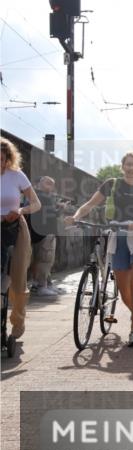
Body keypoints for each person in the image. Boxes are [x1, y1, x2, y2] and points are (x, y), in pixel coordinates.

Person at [68, 151, 133, 347]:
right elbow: (90, 204)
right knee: (124, 290)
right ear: (122, 166)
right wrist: (75, 217)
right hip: (118, 236)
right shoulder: (111, 184)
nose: (131, 167)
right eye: (128, 164)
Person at [1, 138, 42, 347]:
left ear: (8, 158)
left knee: (17, 279)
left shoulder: (17, 175)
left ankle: (17, 322)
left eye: (2, 158)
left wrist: (20, 210)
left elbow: (36, 204)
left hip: (15, 228)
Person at [27, 176, 69, 297]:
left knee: (40, 260)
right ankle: (42, 286)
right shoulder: (45, 197)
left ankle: (43, 284)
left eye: (52, 184)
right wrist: (62, 208)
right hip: (46, 233)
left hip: (35, 233)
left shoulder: (34, 196)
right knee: (45, 260)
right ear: (40, 184)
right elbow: (52, 214)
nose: (50, 186)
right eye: (48, 183)